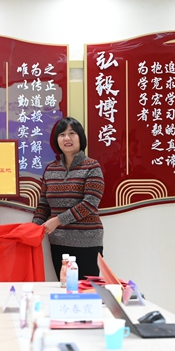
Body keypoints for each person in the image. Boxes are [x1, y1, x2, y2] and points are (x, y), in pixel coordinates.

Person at [32, 117, 104, 280]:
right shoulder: (51, 169)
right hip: (58, 243)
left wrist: (57, 221)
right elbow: (43, 206)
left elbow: (89, 204)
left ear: (80, 137)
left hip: (87, 242)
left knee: (86, 290)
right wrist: (32, 229)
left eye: (72, 133)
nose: (67, 138)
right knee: (65, 288)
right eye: (62, 134)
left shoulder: (92, 167)